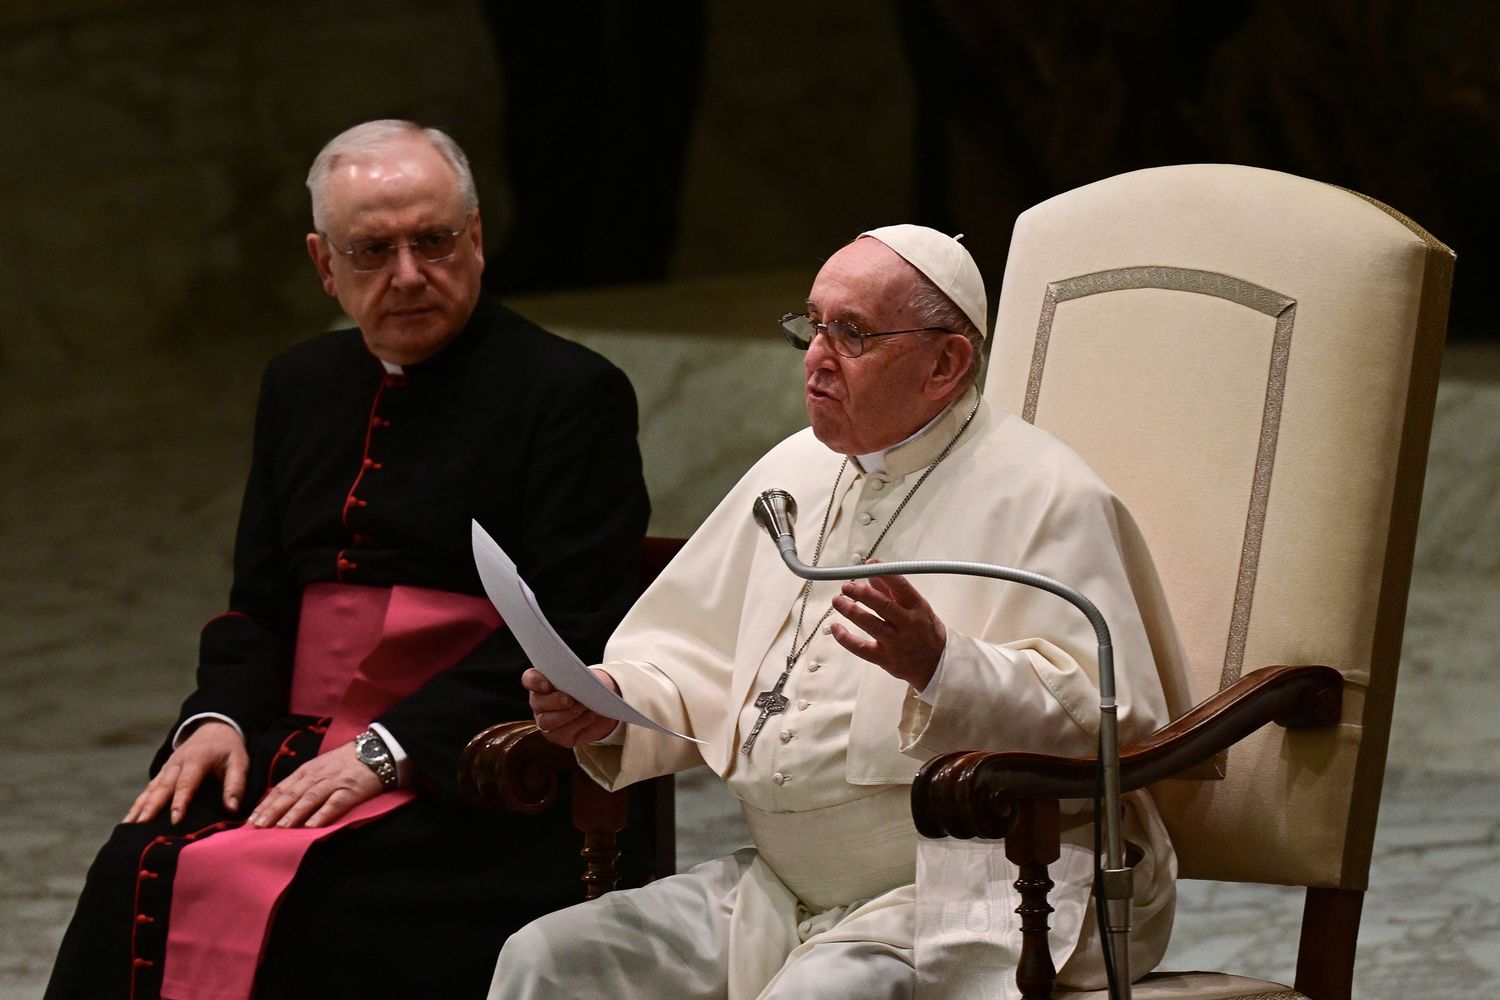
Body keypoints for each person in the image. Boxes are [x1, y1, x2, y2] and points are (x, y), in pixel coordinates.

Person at [493, 225, 1185, 999]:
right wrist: (614, 702)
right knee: (547, 959)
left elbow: (1109, 720)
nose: (816, 357)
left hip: (974, 890)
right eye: (812, 326)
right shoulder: (793, 469)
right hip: (779, 890)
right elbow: (695, 654)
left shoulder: (1048, 494)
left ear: (945, 364)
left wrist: (944, 668)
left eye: (851, 334)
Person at [46, 119, 650, 1000]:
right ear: (323, 265)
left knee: (323, 897)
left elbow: (577, 619)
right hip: (295, 737)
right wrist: (215, 719)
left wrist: (389, 747)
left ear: (477, 240)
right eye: (372, 250)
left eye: (434, 241)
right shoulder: (298, 384)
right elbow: (260, 604)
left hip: (470, 763)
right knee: (136, 863)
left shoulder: (570, 392)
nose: (408, 274)